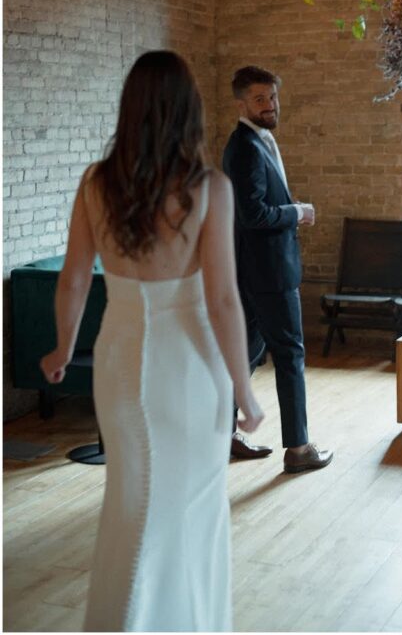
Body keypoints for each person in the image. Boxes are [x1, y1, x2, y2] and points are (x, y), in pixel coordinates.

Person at [40, 50, 263, 630]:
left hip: (118, 361)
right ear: (189, 110)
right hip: (192, 369)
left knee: (131, 504)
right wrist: (245, 390)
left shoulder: (96, 183)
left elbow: (73, 278)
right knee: (193, 510)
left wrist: (64, 348)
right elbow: (222, 300)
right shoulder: (209, 186)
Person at [221, 65, 332, 474]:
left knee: (244, 353)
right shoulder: (246, 146)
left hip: (251, 270)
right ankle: (300, 448)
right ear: (241, 103)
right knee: (290, 354)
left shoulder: (253, 142)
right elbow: (254, 215)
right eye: (259, 99)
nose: (269, 106)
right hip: (268, 272)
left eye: (272, 98)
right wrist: (297, 212)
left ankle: (225, 436)